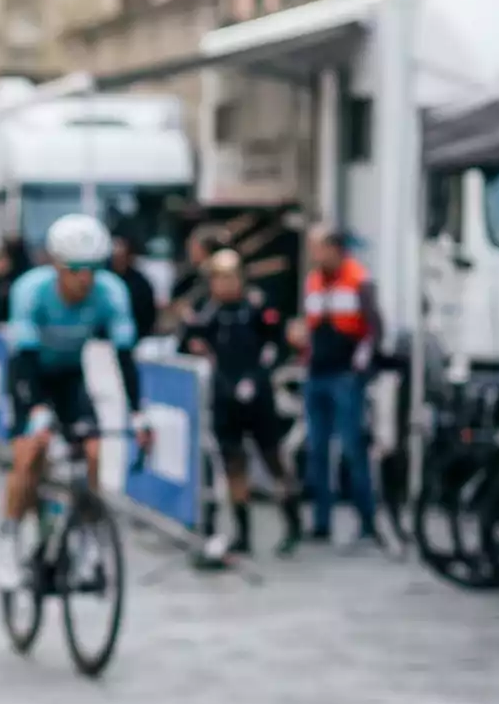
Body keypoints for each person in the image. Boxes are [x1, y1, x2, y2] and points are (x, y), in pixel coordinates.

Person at [0, 213, 143, 589]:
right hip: (30, 375)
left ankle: (89, 542)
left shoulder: (111, 292)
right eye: (76, 270)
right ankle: (8, 541)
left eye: (93, 269)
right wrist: (37, 410)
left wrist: (138, 414)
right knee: (31, 451)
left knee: (93, 451)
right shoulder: (31, 290)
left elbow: (125, 358)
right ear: (57, 266)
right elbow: (25, 362)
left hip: (70, 376)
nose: (85, 279)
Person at [184, 249, 300, 556]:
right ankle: (242, 532)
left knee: (273, 458)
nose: (224, 285)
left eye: (229, 278)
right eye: (218, 279)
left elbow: (278, 344)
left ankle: (292, 520)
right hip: (225, 395)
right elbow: (191, 339)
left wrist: (260, 376)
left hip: (257, 395)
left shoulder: (256, 307)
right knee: (233, 463)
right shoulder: (208, 310)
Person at [297, 228, 382, 546]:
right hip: (317, 372)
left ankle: (367, 520)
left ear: (335, 249)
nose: (314, 256)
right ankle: (321, 523)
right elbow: (310, 323)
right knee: (317, 451)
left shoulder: (359, 279)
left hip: (346, 375)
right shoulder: (313, 281)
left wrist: (362, 363)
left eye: (318, 248)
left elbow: (375, 328)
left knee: (351, 449)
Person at [110, 230, 159, 341]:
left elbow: (148, 316)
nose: (118, 261)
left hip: (136, 337)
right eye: (115, 258)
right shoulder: (104, 280)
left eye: (121, 257)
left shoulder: (141, 284)